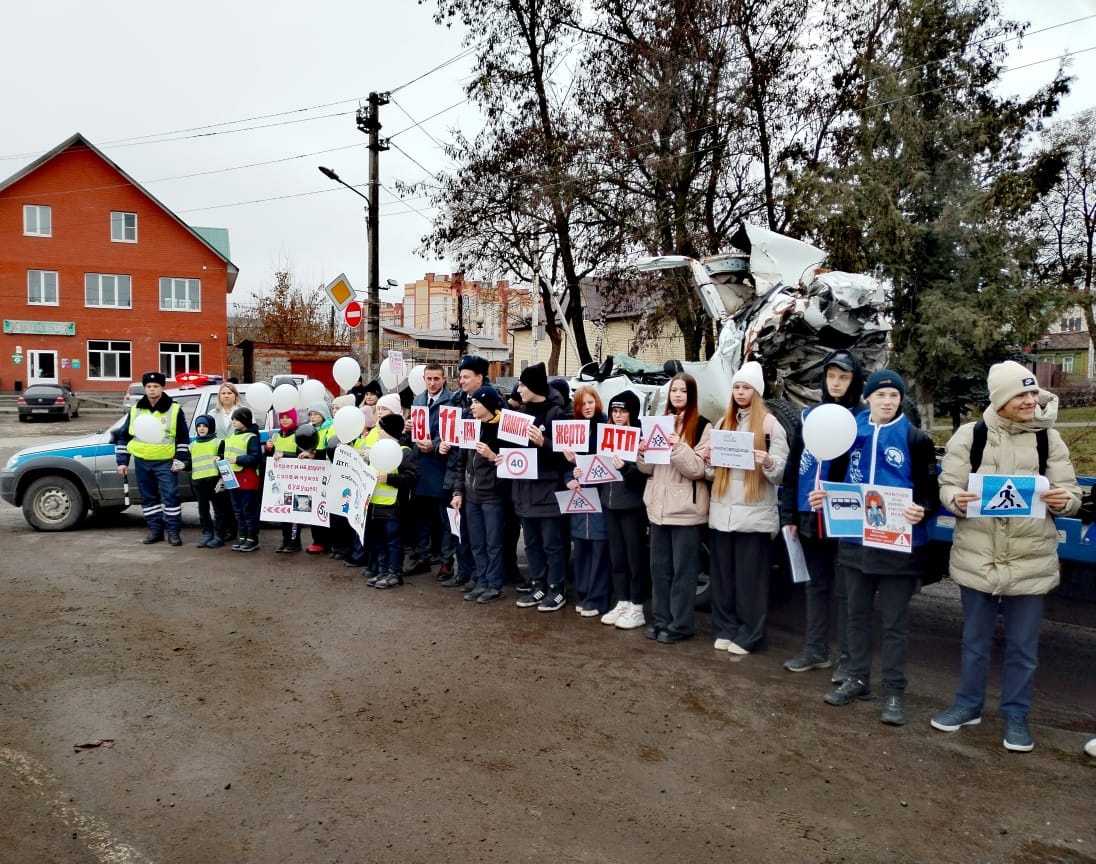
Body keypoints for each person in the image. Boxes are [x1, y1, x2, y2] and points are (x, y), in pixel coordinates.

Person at [931, 360, 1081, 752]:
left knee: (1022, 647)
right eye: (1022, 394)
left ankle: (1016, 716)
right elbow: (948, 485)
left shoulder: (1049, 440)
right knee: (974, 641)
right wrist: (956, 501)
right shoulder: (971, 436)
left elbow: (1071, 493)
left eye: (1034, 393)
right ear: (1001, 399)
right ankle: (967, 706)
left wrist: (1065, 500)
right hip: (978, 556)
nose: (1032, 400)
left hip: (1030, 559)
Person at [822, 370, 939, 726]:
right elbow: (836, 480)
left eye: (893, 395)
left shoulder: (916, 439)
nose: (887, 401)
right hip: (855, 542)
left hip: (897, 548)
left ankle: (893, 691)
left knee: (894, 624)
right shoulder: (849, 433)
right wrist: (823, 494)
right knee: (854, 616)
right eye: (881, 395)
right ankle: (857, 679)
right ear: (868, 398)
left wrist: (923, 508)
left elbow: (930, 492)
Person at [781, 350, 864, 678]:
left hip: (846, 519)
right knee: (815, 587)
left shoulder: (863, 420)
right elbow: (792, 468)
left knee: (845, 591)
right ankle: (816, 651)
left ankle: (846, 658)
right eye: (832, 376)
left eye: (844, 377)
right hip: (808, 515)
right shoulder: (808, 417)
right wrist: (788, 514)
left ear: (853, 380)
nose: (837, 383)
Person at [700, 361, 788, 655]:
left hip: (753, 517)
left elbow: (781, 473)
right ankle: (725, 629)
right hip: (722, 515)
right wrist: (710, 460)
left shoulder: (770, 425)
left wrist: (767, 462)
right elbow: (713, 475)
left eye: (746, 387)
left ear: (757, 391)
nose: (740, 392)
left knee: (750, 582)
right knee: (723, 579)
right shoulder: (724, 423)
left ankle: (751, 634)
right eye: (736, 387)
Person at [637, 373, 710, 644]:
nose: (677, 395)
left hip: (686, 511)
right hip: (658, 508)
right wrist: (642, 451)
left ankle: (681, 624)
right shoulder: (658, 422)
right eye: (674, 391)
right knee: (659, 569)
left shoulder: (703, 425)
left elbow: (699, 469)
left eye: (683, 391)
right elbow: (647, 469)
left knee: (683, 572)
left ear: (691, 395)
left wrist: (677, 446)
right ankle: (662, 620)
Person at [511, 362, 570, 612]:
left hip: (548, 491)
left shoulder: (557, 413)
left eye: (523, 385)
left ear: (534, 386)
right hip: (524, 490)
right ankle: (538, 584)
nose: (519, 389)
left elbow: (567, 454)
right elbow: (512, 447)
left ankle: (557, 588)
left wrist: (543, 442)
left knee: (552, 544)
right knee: (532, 544)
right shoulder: (521, 413)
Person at [114, 371, 190, 546]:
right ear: (145, 388)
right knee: (148, 498)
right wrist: (122, 462)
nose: (152, 390)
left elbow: (183, 438)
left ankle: (173, 533)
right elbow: (124, 437)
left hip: (165, 462)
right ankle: (155, 531)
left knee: (170, 497)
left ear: (162, 388)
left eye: (156, 386)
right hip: (141, 461)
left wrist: (179, 459)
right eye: (149, 387)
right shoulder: (136, 410)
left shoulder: (174, 409)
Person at [597, 389, 649, 631]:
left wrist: (627, 469)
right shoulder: (605, 435)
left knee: (634, 558)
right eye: (614, 411)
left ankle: (637, 605)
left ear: (632, 412)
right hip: (609, 503)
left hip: (632, 506)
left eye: (622, 411)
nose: (617, 416)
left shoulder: (640, 438)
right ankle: (622, 600)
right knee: (616, 558)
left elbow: (644, 479)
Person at [451, 385, 507, 604]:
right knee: (477, 542)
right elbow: (461, 463)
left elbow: (515, 465)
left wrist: (493, 456)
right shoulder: (470, 427)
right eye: (472, 402)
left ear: (488, 405)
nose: (471, 405)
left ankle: (494, 584)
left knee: (493, 543)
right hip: (471, 495)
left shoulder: (504, 430)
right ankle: (481, 580)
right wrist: (458, 491)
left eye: (476, 402)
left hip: (493, 495)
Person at [440, 355, 492, 587]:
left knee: (481, 533)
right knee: (458, 526)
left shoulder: (493, 401)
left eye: (466, 377)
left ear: (479, 378)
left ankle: (483, 577)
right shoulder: (454, 400)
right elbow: (442, 431)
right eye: (460, 377)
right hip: (456, 469)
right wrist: (438, 443)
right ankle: (464, 572)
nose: (461, 381)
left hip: (481, 478)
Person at [564, 386, 611, 618]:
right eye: (583, 404)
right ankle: (583, 593)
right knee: (581, 547)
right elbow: (567, 467)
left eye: (591, 402)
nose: (588, 407)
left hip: (600, 497)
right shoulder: (573, 430)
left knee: (599, 548)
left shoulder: (606, 428)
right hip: (580, 496)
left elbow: (610, 464)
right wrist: (569, 478)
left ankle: (598, 598)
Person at [408, 363, 455, 576]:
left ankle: (447, 561)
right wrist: (408, 428)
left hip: (440, 466)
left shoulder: (451, 401)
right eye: (429, 379)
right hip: (420, 466)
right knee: (421, 518)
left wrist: (434, 446)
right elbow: (416, 432)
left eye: (436, 378)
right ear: (424, 379)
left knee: (445, 519)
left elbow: (451, 434)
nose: (432, 383)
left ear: (444, 378)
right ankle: (423, 557)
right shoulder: (418, 400)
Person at [368, 412, 419, 589]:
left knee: (393, 541)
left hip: (394, 507)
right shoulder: (377, 449)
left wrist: (389, 479)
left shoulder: (404, 452)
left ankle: (394, 572)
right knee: (379, 540)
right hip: (376, 504)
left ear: (388, 431)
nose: (378, 431)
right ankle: (382, 570)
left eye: (380, 428)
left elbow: (411, 477)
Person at [224, 406, 264, 552]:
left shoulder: (252, 437)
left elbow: (255, 457)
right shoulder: (231, 436)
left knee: (248, 510)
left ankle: (252, 538)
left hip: (248, 478)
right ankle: (242, 537)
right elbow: (226, 454)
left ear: (245, 420)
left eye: (237, 419)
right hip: (232, 477)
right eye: (233, 419)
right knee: (238, 510)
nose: (234, 422)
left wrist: (238, 459)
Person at [189, 414, 230, 548]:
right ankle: (207, 534)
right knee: (203, 510)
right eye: (199, 426)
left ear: (210, 427)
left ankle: (219, 535)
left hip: (214, 482)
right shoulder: (193, 445)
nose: (201, 429)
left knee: (219, 510)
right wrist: (182, 465)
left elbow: (224, 460)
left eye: (205, 426)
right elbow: (191, 463)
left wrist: (221, 479)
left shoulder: (218, 442)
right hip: (198, 483)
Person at [266, 408, 302, 553]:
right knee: (283, 512)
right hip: (280, 481)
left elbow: (301, 457)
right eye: (282, 417)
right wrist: (268, 450)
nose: (285, 420)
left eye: (288, 417)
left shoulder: (298, 435)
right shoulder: (275, 436)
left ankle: (294, 542)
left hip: (295, 480)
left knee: (294, 513)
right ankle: (285, 539)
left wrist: (284, 456)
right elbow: (269, 458)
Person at [302, 401, 334, 554]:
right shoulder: (309, 430)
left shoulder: (330, 429)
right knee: (313, 508)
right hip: (312, 476)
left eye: (315, 413)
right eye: (310, 414)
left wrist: (314, 454)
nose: (312, 417)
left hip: (328, 476)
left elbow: (331, 452)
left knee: (325, 509)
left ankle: (328, 542)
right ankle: (318, 541)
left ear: (324, 414)